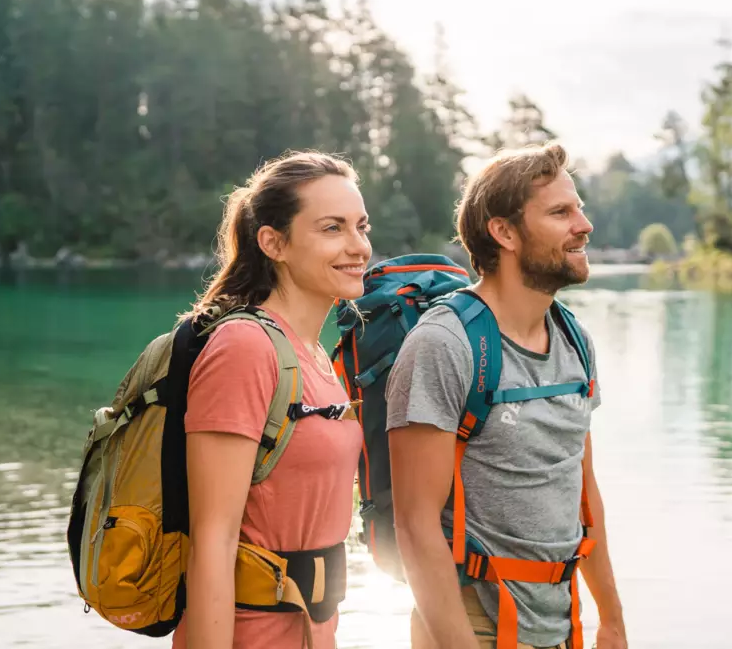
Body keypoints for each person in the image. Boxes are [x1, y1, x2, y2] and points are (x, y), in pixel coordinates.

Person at [385, 142, 627, 649]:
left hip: (563, 626)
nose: (584, 224)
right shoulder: (444, 344)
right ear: (504, 231)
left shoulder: (574, 340)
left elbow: (584, 492)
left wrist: (611, 619)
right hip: (471, 623)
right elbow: (415, 523)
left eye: (578, 208)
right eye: (561, 212)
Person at [171, 151, 371, 649]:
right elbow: (212, 543)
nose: (358, 247)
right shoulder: (244, 349)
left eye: (361, 227)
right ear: (273, 243)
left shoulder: (315, 355)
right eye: (332, 229)